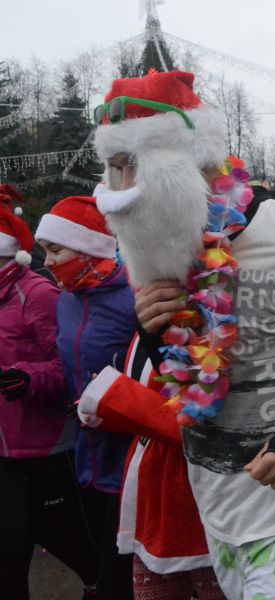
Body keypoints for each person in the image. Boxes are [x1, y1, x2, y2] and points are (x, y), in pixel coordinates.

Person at [77, 69, 275, 599]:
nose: (120, 190)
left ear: (184, 161)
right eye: (113, 169)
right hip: (216, 508)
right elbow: (182, 376)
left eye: (130, 164)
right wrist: (152, 328)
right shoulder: (165, 250)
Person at [35, 196, 137, 600]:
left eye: (55, 250)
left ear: (88, 247)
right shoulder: (66, 302)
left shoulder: (134, 298)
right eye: (44, 250)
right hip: (87, 462)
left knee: (118, 579)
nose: (47, 262)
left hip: (129, 462)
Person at [0, 206, 100, 600]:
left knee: (86, 557)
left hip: (49, 452)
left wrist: (27, 378)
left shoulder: (38, 293)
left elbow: (72, 367)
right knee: (8, 563)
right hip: (5, 456)